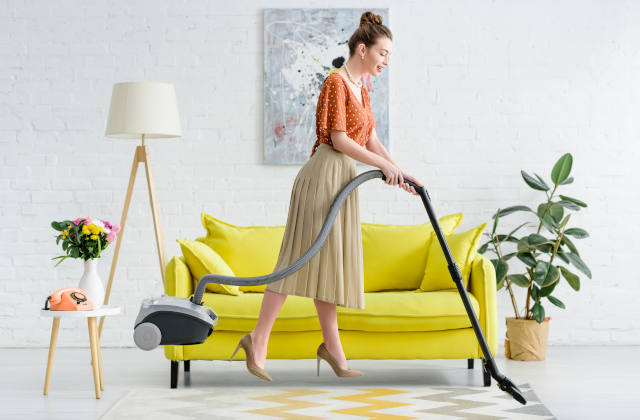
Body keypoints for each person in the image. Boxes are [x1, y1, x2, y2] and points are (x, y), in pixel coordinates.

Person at [230, 11, 423, 381]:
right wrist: (381, 168)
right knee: (296, 259)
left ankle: (333, 351)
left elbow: (370, 140)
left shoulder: (363, 88)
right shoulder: (336, 82)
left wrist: (399, 170)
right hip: (323, 176)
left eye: (389, 56)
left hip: (343, 179)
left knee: (328, 265)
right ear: (362, 49)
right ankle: (258, 340)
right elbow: (339, 139)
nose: (386, 61)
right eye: (383, 53)